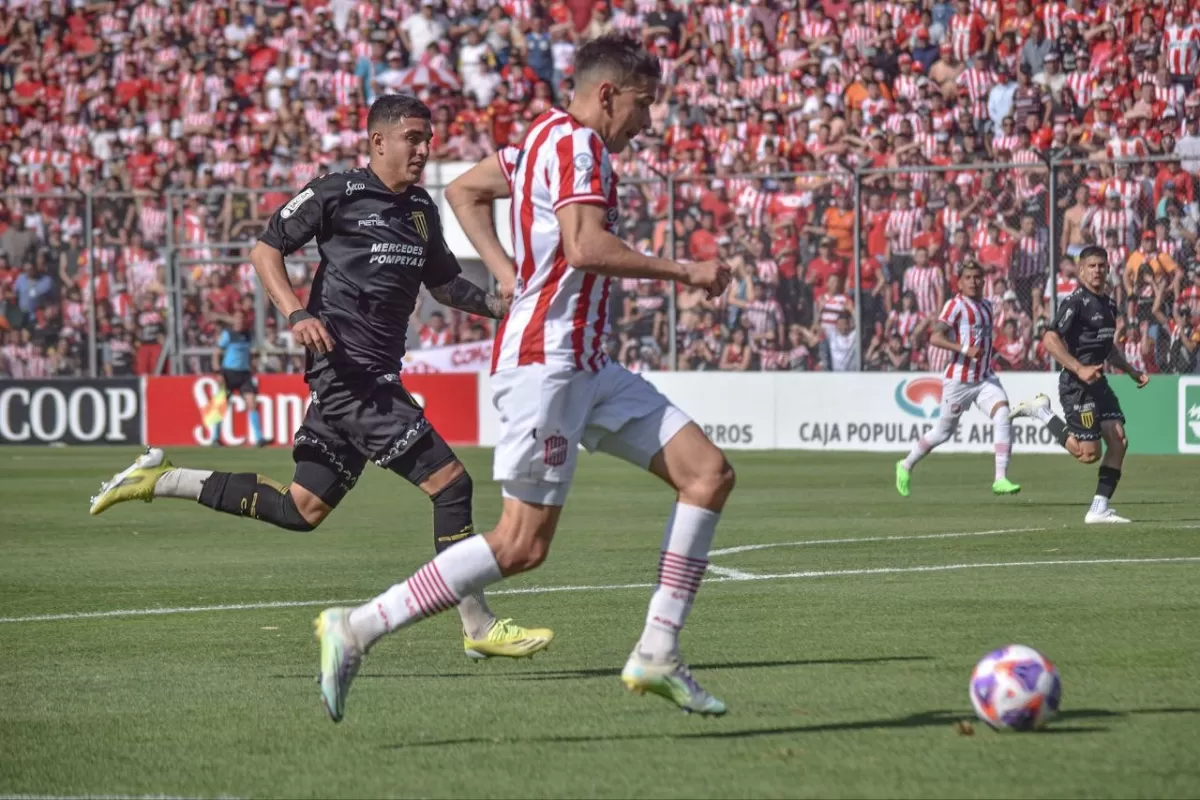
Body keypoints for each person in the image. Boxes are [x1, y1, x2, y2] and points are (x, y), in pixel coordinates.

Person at [311, 33, 735, 724]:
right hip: (549, 363)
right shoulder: (580, 146)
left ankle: (658, 651)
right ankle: (356, 628)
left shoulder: (541, 137)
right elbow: (584, 247)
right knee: (520, 545)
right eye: (644, 104)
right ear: (607, 95)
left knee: (708, 474)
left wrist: (507, 273)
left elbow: (464, 189)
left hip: (587, 363)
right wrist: (686, 271)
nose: (648, 121)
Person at [88, 94, 552, 662]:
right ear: (378, 141)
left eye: (428, 138)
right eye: (413, 137)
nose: (424, 149)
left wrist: (496, 305)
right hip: (347, 374)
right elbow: (265, 250)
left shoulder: (422, 209)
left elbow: (445, 286)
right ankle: (477, 625)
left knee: (300, 509)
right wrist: (296, 312)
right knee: (451, 485)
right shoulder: (337, 193)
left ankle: (161, 479)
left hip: (372, 375)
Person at [1010, 245, 1150, 523]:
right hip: (1076, 384)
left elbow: (1107, 348)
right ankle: (1042, 412)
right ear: (1082, 270)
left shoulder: (1109, 304)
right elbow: (1050, 339)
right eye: (1092, 266)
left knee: (1119, 440)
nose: (1097, 270)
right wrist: (1078, 368)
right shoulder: (1075, 302)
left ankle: (1099, 509)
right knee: (1087, 454)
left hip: (1098, 382)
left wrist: (1132, 371)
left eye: (1102, 265)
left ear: (1108, 269)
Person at [896, 261, 1021, 497]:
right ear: (960, 282)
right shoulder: (955, 305)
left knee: (1004, 414)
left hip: (985, 378)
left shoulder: (986, 306)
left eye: (977, 277)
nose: (973, 281)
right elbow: (935, 337)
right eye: (968, 278)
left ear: (983, 281)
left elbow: (983, 341)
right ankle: (905, 464)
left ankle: (1000, 479)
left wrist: (997, 357)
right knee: (943, 432)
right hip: (959, 381)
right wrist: (964, 349)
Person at [210, 310, 264, 447]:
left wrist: (253, 367)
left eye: (241, 319)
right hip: (228, 373)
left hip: (244, 374)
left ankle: (259, 438)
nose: (239, 322)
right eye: (237, 319)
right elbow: (216, 353)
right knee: (222, 405)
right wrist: (218, 372)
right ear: (233, 321)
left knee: (252, 403)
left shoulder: (248, 335)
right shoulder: (228, 334)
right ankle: (215, 438)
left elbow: (250, 354)